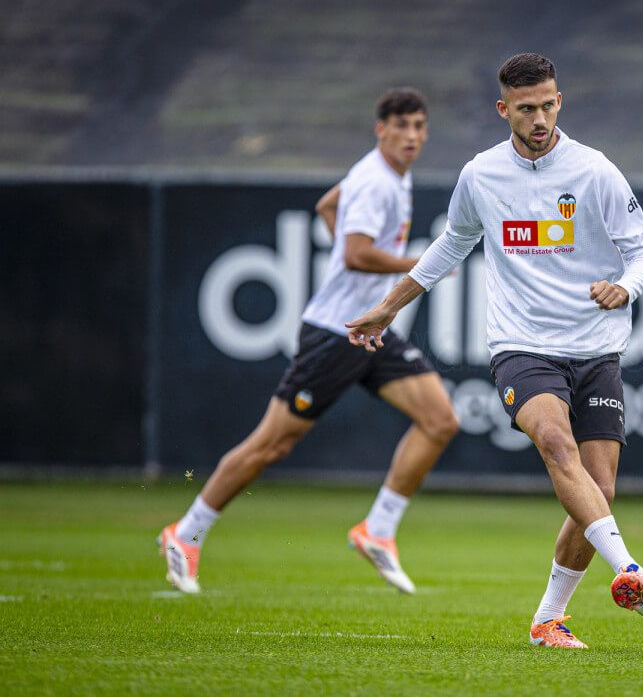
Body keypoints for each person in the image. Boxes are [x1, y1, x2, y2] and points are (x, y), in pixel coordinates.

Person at [345, 53, 643, 649]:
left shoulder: (595, 171)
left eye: (547, 105)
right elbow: (453, 244)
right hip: (522, 346)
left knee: (599, 490)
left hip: (596, 348)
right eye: (526, 109)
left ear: (559, 102)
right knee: (553, 439)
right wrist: (391, 304)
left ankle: (549, 619)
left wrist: (625, 285)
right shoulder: (482, 175)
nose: (539, 118)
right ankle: (629, 568)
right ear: (503, 111)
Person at [159, 88, 459, 595]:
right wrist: (421, 264)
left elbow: (326, 204)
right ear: (380, 129)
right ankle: (186, 532)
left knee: (439, 419)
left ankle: (377, 530)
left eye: (418, 126)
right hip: (335, 334)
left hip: (371, 330)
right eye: (401, 126)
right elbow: (357, 254)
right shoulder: (376, 183)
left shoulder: (385, 177)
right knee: (272, 444)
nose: (411, 136)